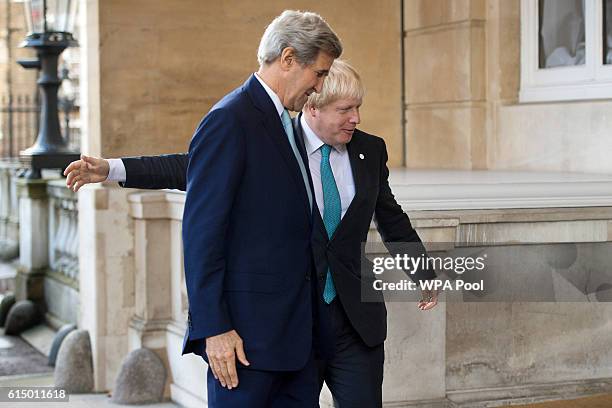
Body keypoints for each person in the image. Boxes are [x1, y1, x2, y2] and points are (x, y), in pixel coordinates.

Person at [65, 60, 438, 408]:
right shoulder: (273, 141)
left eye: (358, 108)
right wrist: (113, 169)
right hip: (295, 320)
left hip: (354, 322)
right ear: (312, 106)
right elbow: (192, 166)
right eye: (344, 110)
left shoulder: (369, 150)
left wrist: (423, 271)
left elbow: (390, 217)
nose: (355, 119)